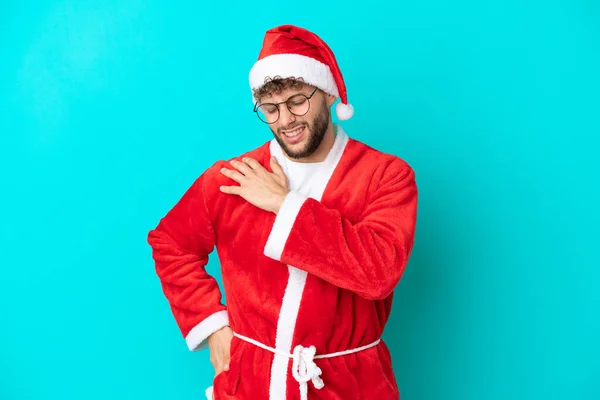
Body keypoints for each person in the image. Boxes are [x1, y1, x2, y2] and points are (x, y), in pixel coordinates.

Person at [147, 24, 418, 400]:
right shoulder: (235, 177)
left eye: (297, 102)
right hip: (251, 384)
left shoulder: (386, 176)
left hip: (348, 386)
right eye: (271, 109)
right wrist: (212, 327)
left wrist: (283, 204)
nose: (286, 120)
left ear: (326, 93)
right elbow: (170, 243)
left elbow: (378, 273)